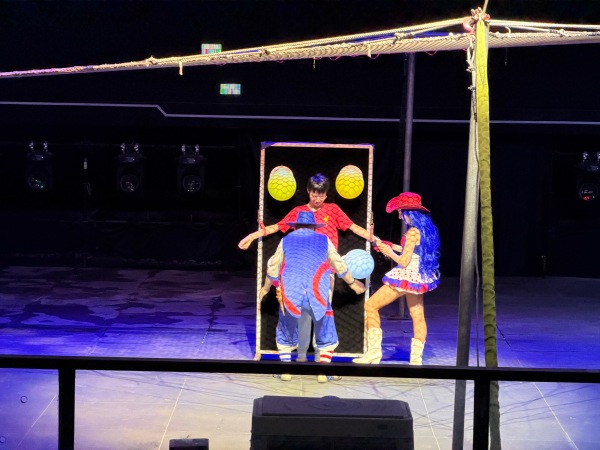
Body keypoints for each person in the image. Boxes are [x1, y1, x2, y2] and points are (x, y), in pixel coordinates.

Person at [240, 173, 374, 362]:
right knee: (303, 316)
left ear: (326, 194)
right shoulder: (298, 212)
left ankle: (319, 359)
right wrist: (252, 236)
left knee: (321, 316)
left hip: (324, 275)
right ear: (308, 191)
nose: (318, 199)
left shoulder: (333, 210)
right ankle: (301, 355)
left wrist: (375, 239)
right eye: (314, 194)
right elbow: (277, 227)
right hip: (296, 275)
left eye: (322, 195)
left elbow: (352, 228)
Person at [259, 211, 366, 382]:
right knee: (325, 329)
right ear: (314, 227)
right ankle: (323, 372)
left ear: (296, 227)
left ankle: (286, 370)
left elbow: (273, 267)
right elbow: (338, 264)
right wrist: (352, 283)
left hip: (291, 292)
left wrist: (265, 288)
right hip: (318, 293)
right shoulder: (324, 240)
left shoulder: (286, 240)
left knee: (286, 327)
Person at [353, 192, 440, 365]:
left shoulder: (412, 232)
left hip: (406, 275)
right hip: (417, 277)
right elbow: (411, 251)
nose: (399, 216)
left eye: (401, 211)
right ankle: (416, 360)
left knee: (371, 306)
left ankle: (373, 353)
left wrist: (389, 252)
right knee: (418, 316)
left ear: (409, 212)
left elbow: (404, 261)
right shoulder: (423, 230)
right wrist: (391, 245)